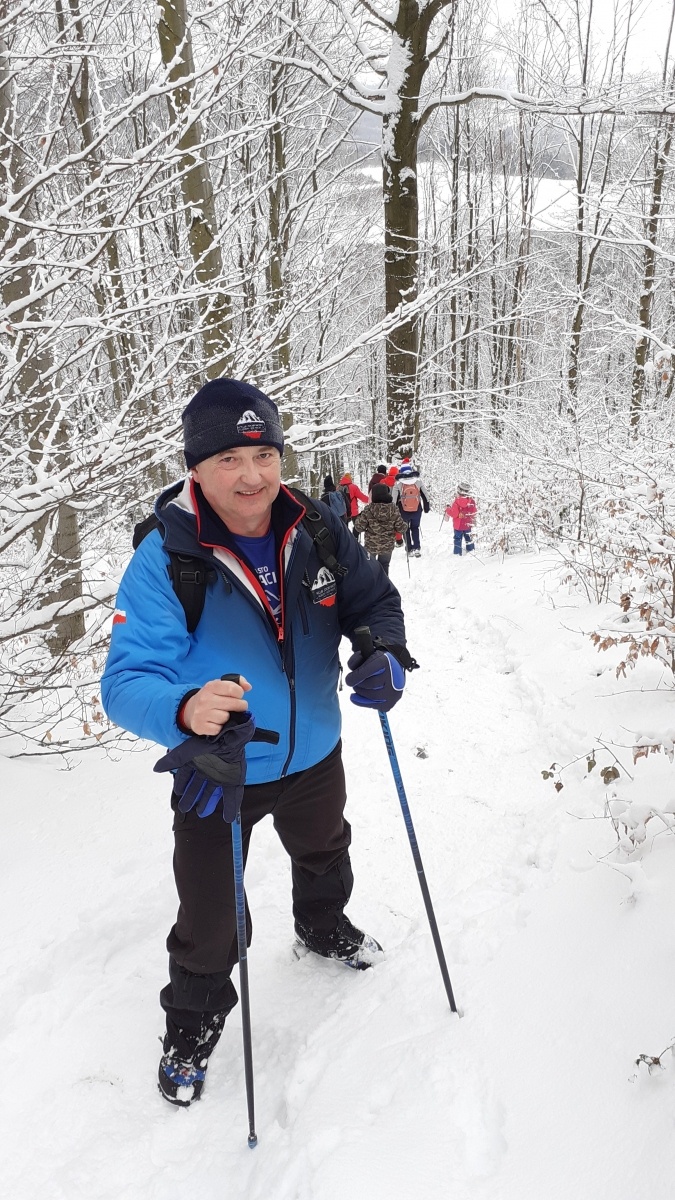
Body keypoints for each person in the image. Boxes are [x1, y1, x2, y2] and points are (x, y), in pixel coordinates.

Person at [101, 378, 416, 1108]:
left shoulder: (316, 527)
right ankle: (193, 1023)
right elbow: (126, 681)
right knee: (210, 915)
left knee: (324, 846)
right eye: (229, 460)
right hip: (221, 766)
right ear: (196, 468)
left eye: (264, 453)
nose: (252, 476)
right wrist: (182, 709)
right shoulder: (166, 557)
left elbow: (373, 602)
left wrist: (381, 652)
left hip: (315, 754)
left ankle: (322, 925)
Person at [353, 484, 407, 576]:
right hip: (387, 546)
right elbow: (401, 528)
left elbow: (359, 527)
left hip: (371, 546)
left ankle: (372, 587)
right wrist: (405, 523)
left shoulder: (368, 509)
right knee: (384, 565)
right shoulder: (393, 509)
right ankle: (384, 587)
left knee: (370, 567)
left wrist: (358, 518)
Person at [391, 463, 431, 557]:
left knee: (406, 529)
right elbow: (425, 494)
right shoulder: (418, 481)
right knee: (415, 528)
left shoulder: (398, 483)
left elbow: (394, 499)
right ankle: (417, 548)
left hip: (403, 510)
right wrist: (426, 506)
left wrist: (394, 510)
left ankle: (409, 549)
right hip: (417, 509)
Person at [446, 483, 477, 555]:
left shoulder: (456, 502)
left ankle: (457, 552)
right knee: (468, 537)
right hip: (468, 524)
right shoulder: (472, 501)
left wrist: (448, 509)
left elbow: (454, 514)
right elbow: (474, 511)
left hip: (458, 526)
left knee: (457, 539)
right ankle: (471, 550)